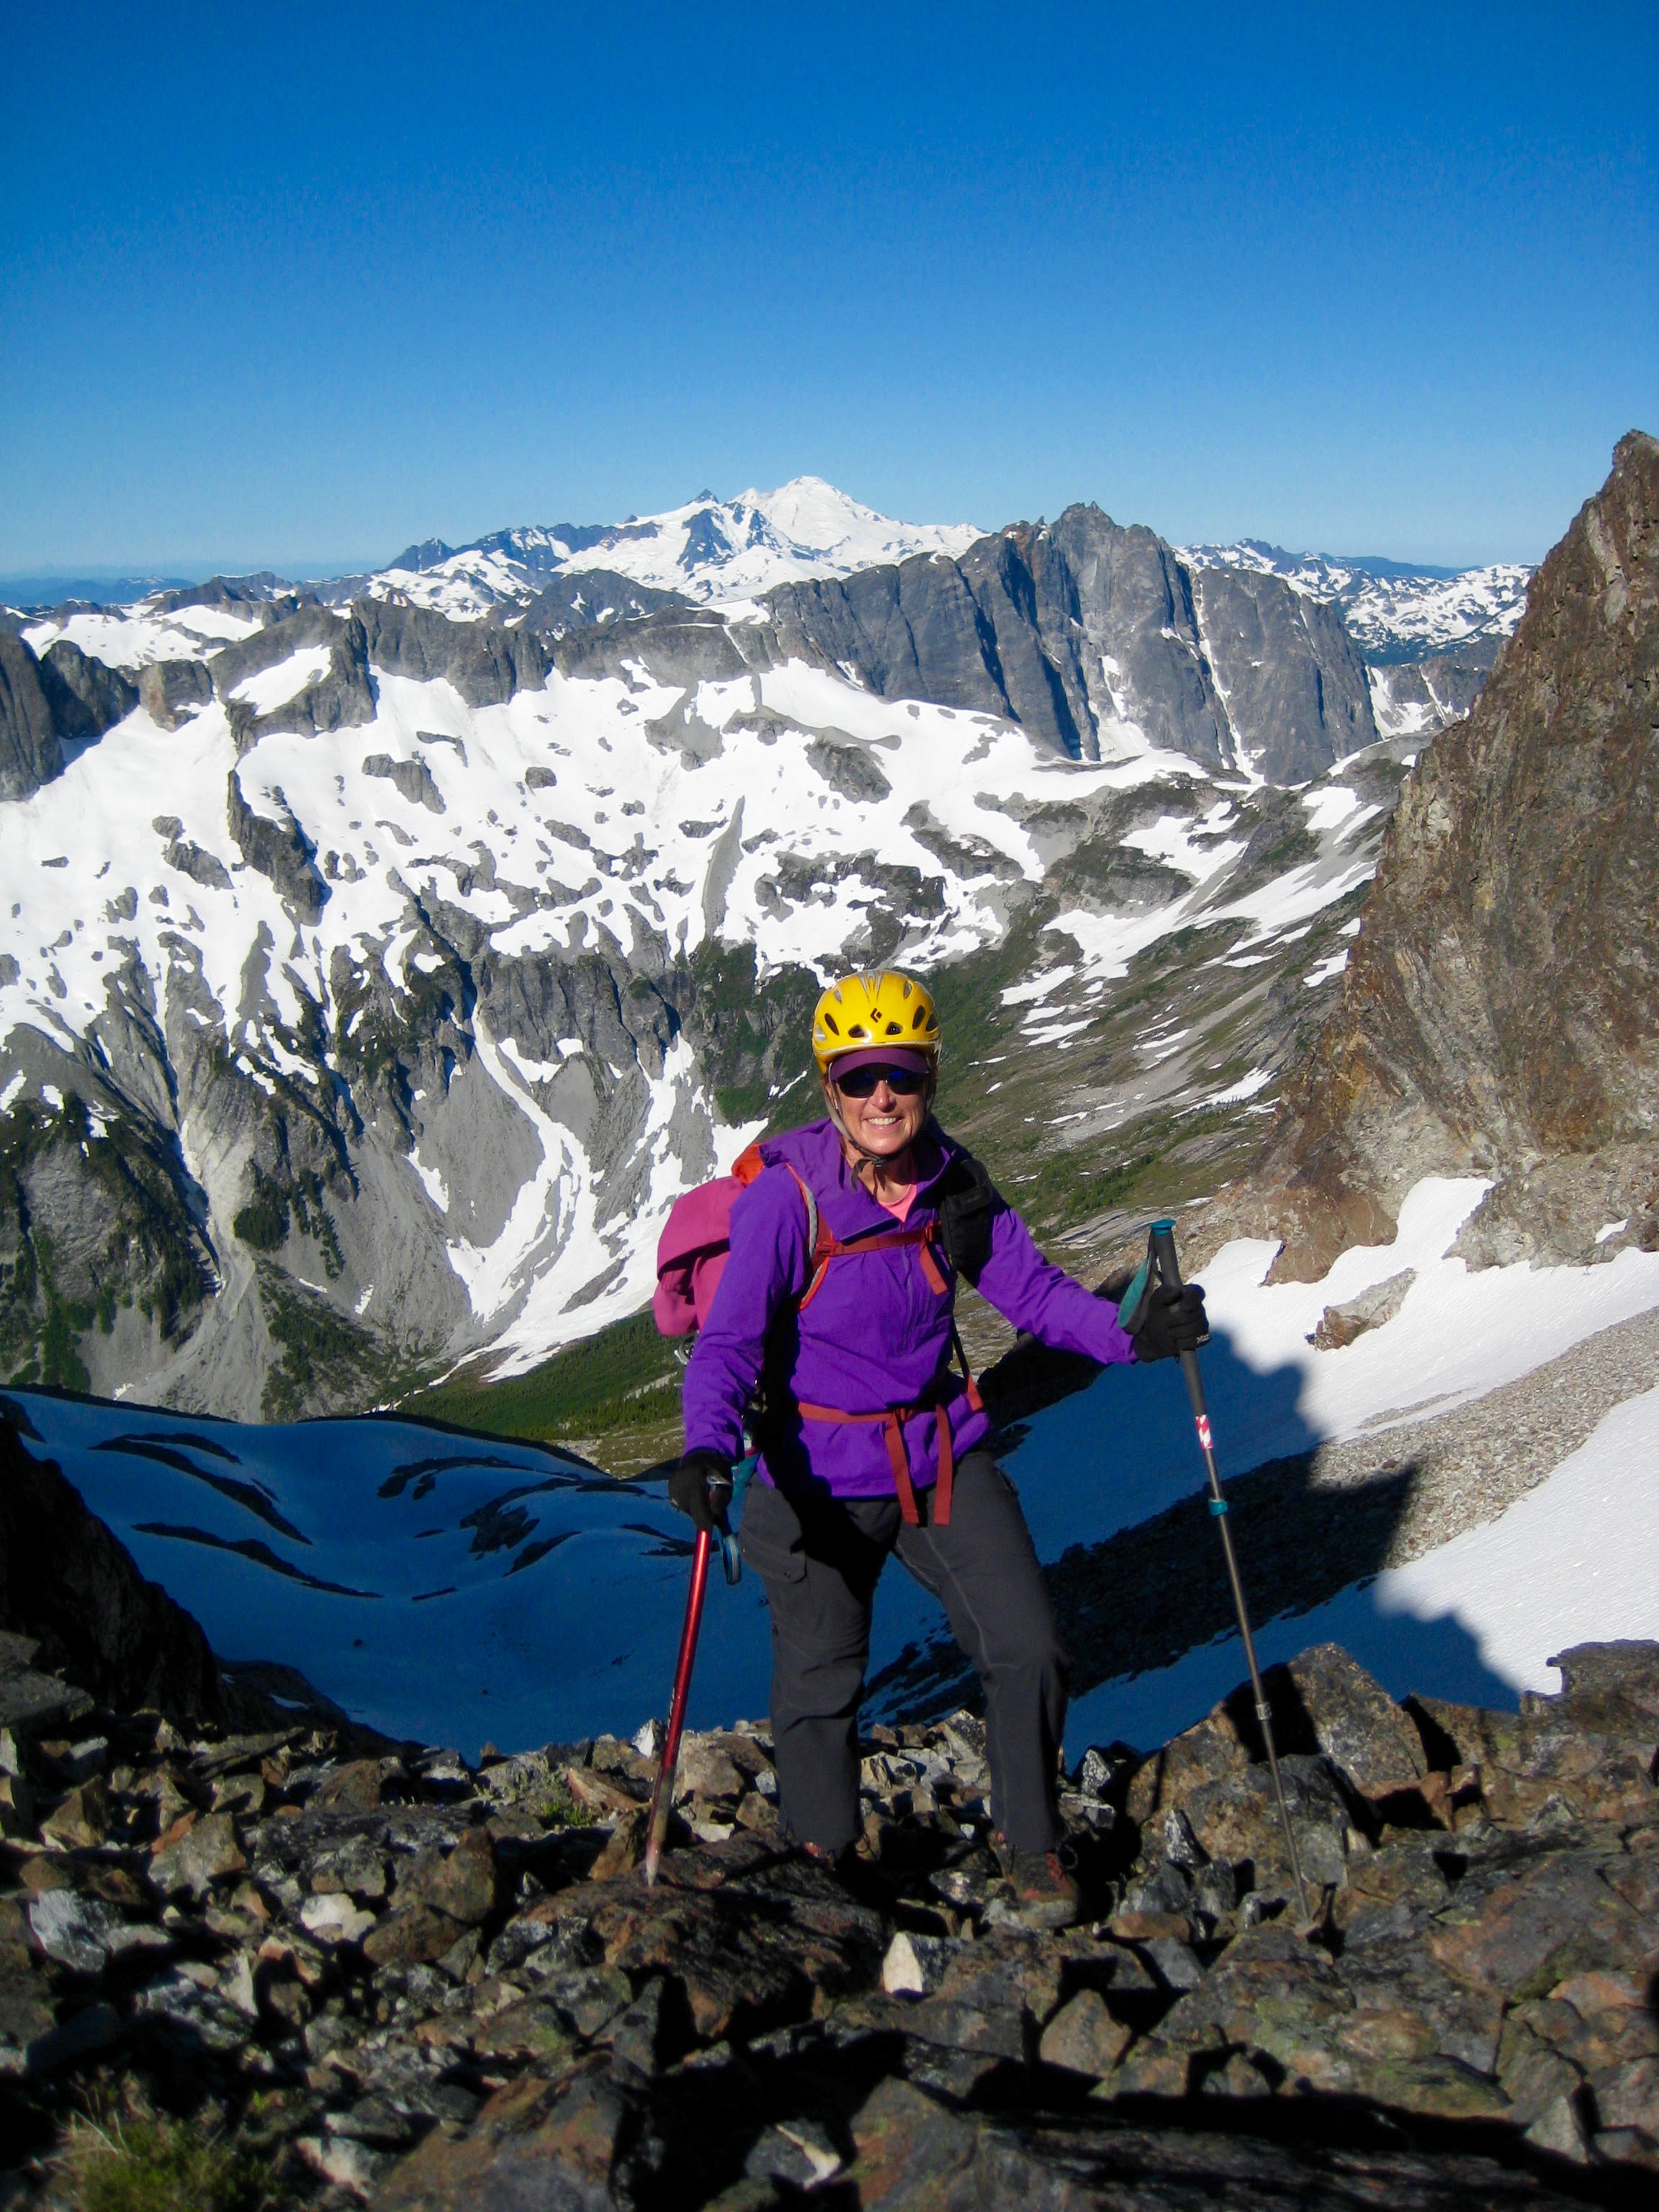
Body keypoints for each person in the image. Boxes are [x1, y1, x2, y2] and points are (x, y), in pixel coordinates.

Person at [669, 968, 1207, 1926]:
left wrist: (1135, 1333)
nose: (883, 1096)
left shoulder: (951, 1182)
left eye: (902, 1075)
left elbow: (1033, 1295)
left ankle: (1033, 1847)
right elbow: (729, 1345)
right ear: (829, 1087)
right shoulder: (787, 1200)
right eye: (860, 1075)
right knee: (820, 1681)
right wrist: (707, 1447)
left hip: (937, 1455)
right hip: (813, 1480)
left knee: (1028, 1647)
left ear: (929, 1079)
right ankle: (824, 1868)